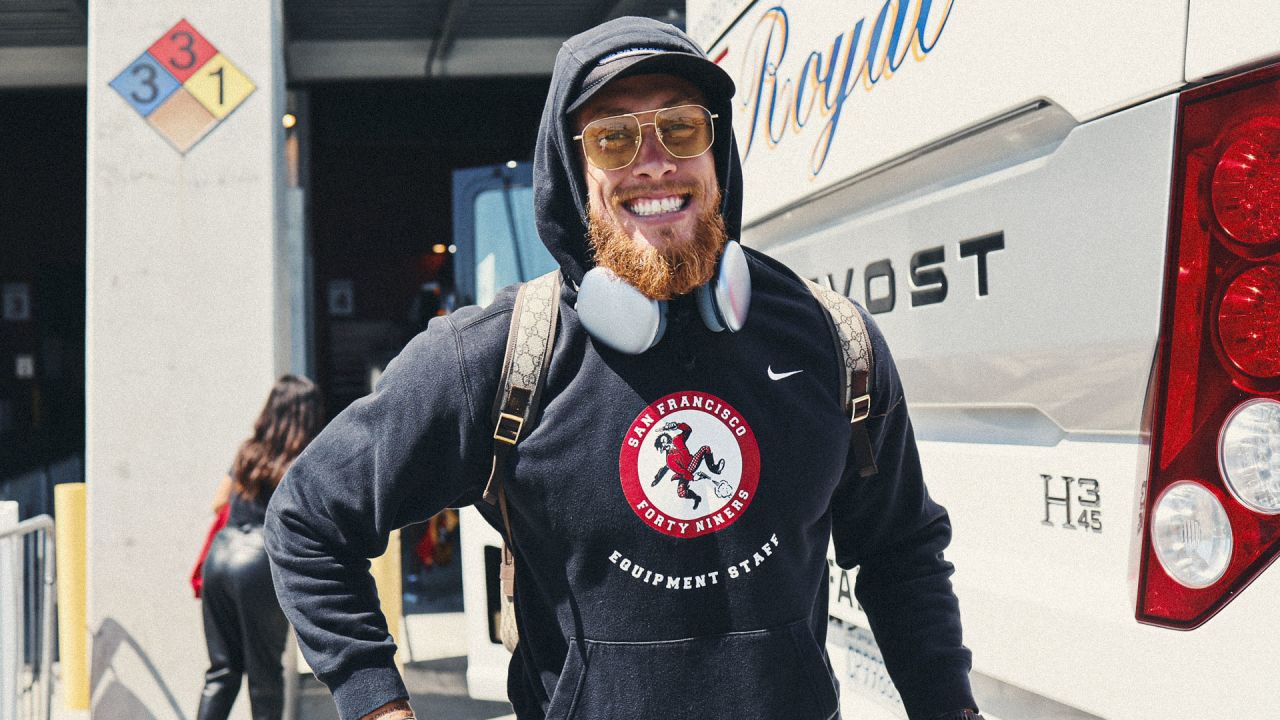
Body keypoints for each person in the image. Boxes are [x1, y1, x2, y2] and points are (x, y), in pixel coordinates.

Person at [265, 16, 983, 720]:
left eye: (681, 128)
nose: (655, 161)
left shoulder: (832, 339)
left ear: (716, 151)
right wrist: (375, 703)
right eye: (613, 138)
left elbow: (900, 550)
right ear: (572, 170)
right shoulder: (496, 357)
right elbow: (308, 520)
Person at [198, 375, 324, 720]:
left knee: (221, 672)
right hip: (259, 566)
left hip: (221, 557)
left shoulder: (248, 450)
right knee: (264, 677)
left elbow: (217, 503)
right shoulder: (304, 460)